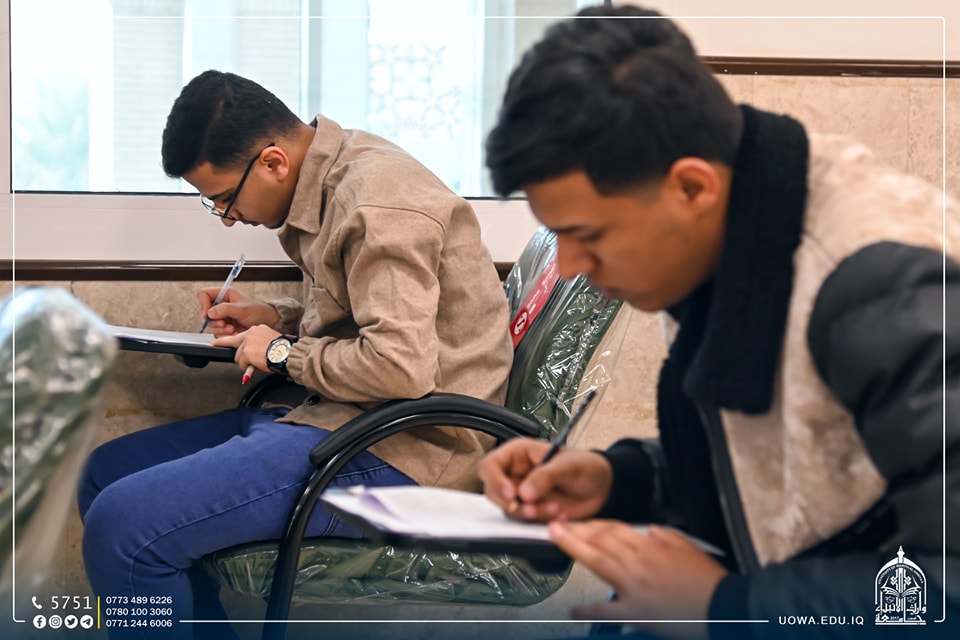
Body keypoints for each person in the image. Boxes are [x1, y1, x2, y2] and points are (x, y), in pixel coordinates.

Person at [478, 4, 958, 639]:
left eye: (587, 235)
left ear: (692, 188)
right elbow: (794, 456)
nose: (569, 265)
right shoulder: (742, 224)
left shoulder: (883, 293)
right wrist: (618, 481)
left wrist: (727, 605)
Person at [77, 70, 513, 639]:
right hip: (339, 419)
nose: (227, 217)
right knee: (104, 475)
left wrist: (282, 351)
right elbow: (370, 311)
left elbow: (400, 366)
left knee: (123, 525)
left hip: (406, 450)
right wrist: (275, 316)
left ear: (273, 162)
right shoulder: (333, 174)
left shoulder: (378, 202)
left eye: (223, 199)